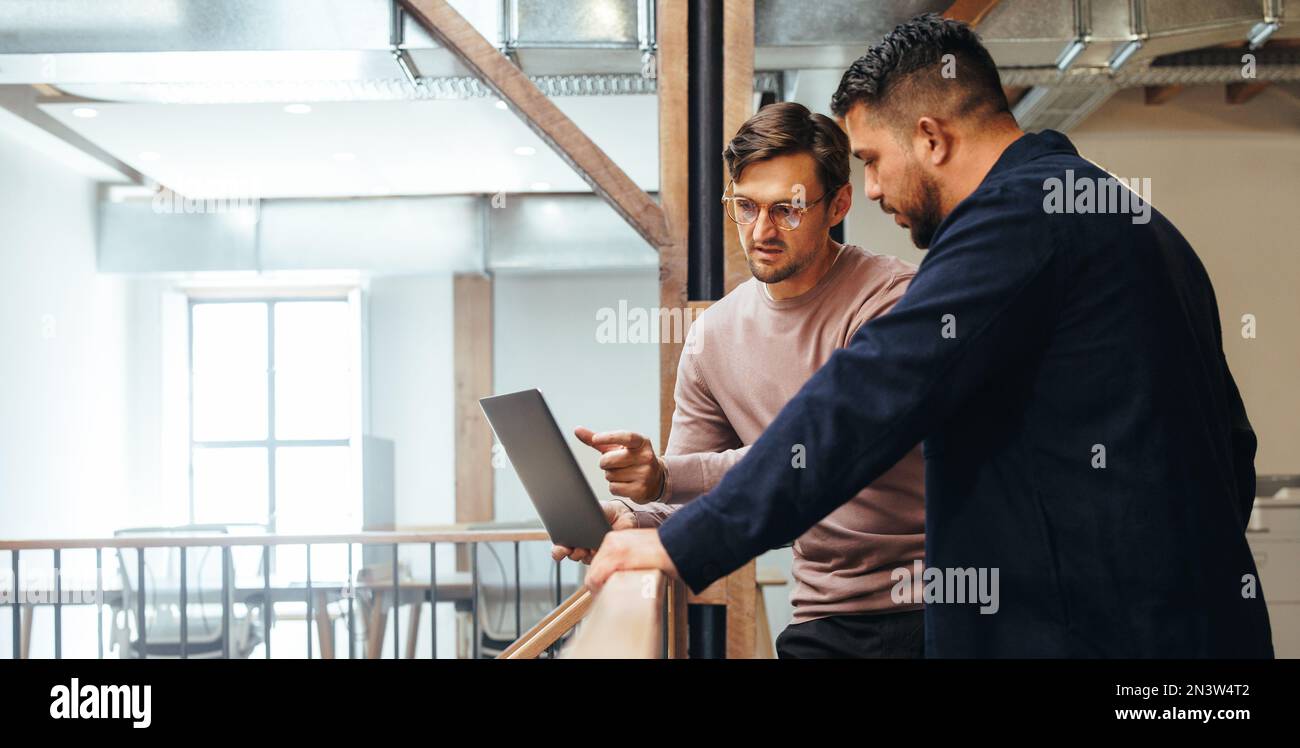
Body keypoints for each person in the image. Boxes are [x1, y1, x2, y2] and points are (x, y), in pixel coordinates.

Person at [583, 14, 1273, 658]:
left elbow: (867, 398)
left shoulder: (1014, 223)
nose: (874, 188)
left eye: (874, 159)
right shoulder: (1134, 220)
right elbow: (1232, 447)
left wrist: (682, 545)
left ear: (931, 137)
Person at [555, 102, 926, 658]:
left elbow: (819, 461)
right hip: (824, 615)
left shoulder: (891, 303)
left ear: (838, 205)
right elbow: (693, 495)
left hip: (932, 608)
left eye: (787, 210)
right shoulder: (713, 338)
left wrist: (664, 477)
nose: (762, 230)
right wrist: (634, 516)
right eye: (745, 207)